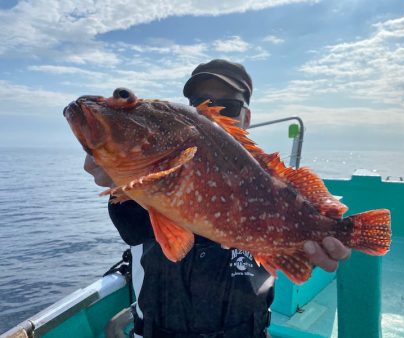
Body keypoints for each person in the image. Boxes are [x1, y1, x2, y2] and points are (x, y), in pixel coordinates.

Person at [84, 59, 351, 338]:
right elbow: (132, 224)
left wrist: (323, 241)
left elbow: (304, 242)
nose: (214, 111)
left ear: (246, 118)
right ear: (189, 112)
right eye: (202, 102)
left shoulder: (269, 184)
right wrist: (117, 173)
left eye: (229, 106)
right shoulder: (152, 179)